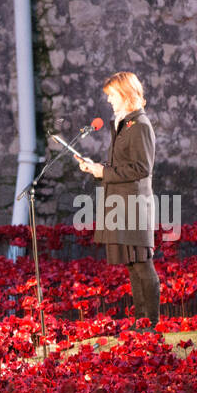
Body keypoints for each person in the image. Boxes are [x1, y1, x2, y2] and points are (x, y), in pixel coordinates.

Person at [77, 72, 161, 326]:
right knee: (132, 265)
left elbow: (141, 168)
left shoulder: (140, 125)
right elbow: (121, 166)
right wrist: (96, 169)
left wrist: (105, 172)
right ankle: (141, 322)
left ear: (126, 94)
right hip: (122, 203)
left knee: (143, 264)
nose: (110, 101)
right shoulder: (124, 124)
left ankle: (151, 323)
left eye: (113, 96)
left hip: (135, 205)